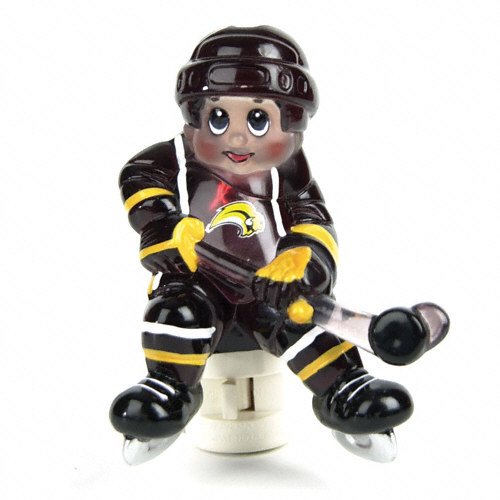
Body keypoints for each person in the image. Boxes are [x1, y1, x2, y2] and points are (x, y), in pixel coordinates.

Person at [110, 26, 413, 458]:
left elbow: (312, 216)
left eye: (258, 120)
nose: (237, 138)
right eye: (219, 118)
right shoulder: (174, 158)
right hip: (193, 281)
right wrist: (164, 225)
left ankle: (344, 388)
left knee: (298, 318)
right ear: (195, 116)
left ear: (290, 121)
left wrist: (302, 259)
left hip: (264, 287)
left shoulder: (288, 169)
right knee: (177, 313)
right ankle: (170, 388)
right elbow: (138, 178)